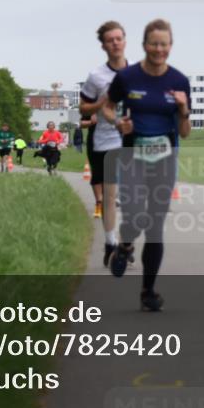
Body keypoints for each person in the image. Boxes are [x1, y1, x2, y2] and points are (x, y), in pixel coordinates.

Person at [103, 19, 191, 312]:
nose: (159, 49)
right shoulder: (128, 78)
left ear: (170, 46)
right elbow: (107, 106)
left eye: (164, 44)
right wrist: (118, 123)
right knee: (137, 215)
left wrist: (183, 110)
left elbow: (185, 131)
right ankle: (126, 245)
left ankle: (148, 291)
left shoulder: (179, 81)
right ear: (144, 46)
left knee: (155, 226)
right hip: (132, 158)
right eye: (154, 44)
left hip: (165, 160)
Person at [79, 21, 130, 265]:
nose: (115, 43)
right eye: (110, 40)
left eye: (119, 38)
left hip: (132, 140)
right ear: (103, 45)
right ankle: (111, 241)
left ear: (125, 41)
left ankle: (125, 242)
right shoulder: (96, 76)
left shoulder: (138, 73)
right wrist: (100, 104)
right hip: (105, 140)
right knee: (110, 197)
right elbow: (83, 107)